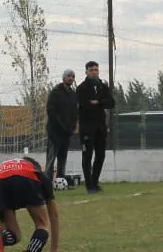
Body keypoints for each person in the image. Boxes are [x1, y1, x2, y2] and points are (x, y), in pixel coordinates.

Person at [0, 157, 63, 252]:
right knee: (43, 224)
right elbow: (54, 215)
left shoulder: (5, 167)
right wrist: (54, 249)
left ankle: (2, 238)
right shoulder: (36, 172)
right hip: (27, 176)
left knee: (15, 235)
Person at [76, 61, 115, 193]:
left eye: (96, 70)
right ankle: (89, 186)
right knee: (87, 156)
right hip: (87, 127)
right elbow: (84, 105)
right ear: (86, 71)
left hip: (101, 127)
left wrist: (98, 102)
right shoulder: (81, 88)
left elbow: (111, 103)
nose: (94, 72)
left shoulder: (103, 86)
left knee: (100, 155)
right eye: (92, 70)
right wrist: (96, 103)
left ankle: (95, 182)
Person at [46, 69, 78, 188]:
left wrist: (73, 126)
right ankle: (47, 183)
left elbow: (75, 112)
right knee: (51, 158)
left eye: (72, 76)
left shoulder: (73, 94)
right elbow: (51, 111)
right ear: (63, 78)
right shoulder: (55, 92)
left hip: (67, 133)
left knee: (63, 158)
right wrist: (61, 126)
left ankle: (60, 181)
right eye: (68, 76)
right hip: (55, 132)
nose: (70, 78)